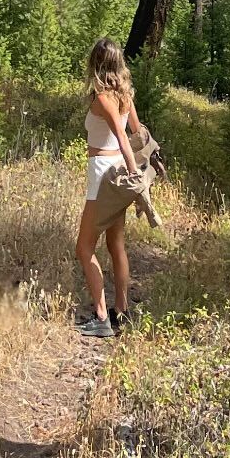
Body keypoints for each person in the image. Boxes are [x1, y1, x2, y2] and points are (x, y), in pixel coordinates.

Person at [75, 36, 143, 338]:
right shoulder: (125, 95)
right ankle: (122, 311)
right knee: (116, 244)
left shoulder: (103, 98)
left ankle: (102, 316)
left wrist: (136, 178)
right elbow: (138, 131)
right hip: (115, 174)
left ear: (96, 63)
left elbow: (123, 136)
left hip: (104, 175)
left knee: (84, 246)